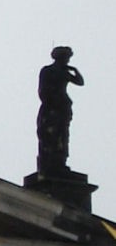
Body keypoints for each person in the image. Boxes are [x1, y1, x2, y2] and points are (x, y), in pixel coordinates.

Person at [36, 45, 84, 173]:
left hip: (62, 107)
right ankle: (49, 162)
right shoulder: (48, 70)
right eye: (66, 58)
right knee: (49, 135)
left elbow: (80, 82)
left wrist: (74, 69)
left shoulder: (64, 72)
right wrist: (51, 100)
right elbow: (42, 90)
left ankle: (60, 161)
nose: (67, 61)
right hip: (51, 107)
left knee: (62, 135)